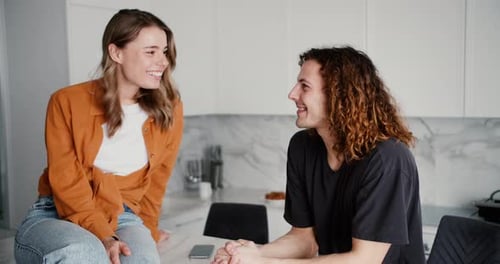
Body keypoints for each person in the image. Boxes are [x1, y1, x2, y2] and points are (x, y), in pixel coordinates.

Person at [212, 46, 425, 264]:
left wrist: (264, 263)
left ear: (339, 96)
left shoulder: (388, 159)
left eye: (305, 86)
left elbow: (364, 260)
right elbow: (304, 240)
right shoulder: (302, 147)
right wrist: (255, 253)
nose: (292, 94)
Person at [14, 9, 183, 264]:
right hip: (55, 212)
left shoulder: (169, 107)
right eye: (151, 52)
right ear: (116, 53)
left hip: (124, 215)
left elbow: (156, 183)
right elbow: (67, 180)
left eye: (164, 51)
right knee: (85, 252)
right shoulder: (67, 101)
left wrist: (147, 233)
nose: (164, 61)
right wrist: (103, 235)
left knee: (142, 259)